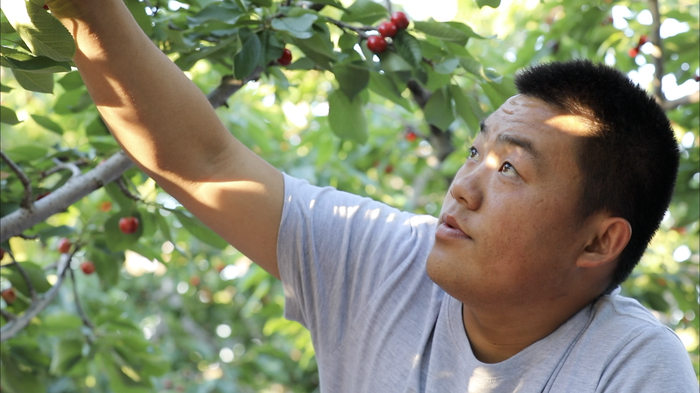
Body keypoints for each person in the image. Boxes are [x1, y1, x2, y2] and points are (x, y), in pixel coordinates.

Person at [48, 1, 697, 391]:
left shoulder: (634, 367)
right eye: (476, 151)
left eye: (509, 171)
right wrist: (86, 10)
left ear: (599, 239)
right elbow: (203, 161)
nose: (463, 187)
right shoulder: (384, 259)